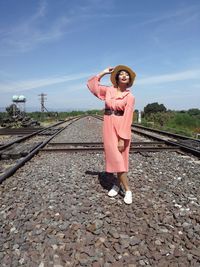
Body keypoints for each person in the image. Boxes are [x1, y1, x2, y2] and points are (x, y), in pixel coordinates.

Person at [87, 65, 136, 204]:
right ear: (117, 77)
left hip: (121, 128)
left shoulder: (130, 97)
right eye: (121, 74)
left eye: (127, 74)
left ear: (129, 79)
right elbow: (92, 86)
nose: (124, 75)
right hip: (108, 126)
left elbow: (127, 119)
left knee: (121, 161)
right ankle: (117, 184)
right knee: (114, 159)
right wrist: (102, 72)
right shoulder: (108, 90)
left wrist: (122, 138)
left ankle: (127, 190)